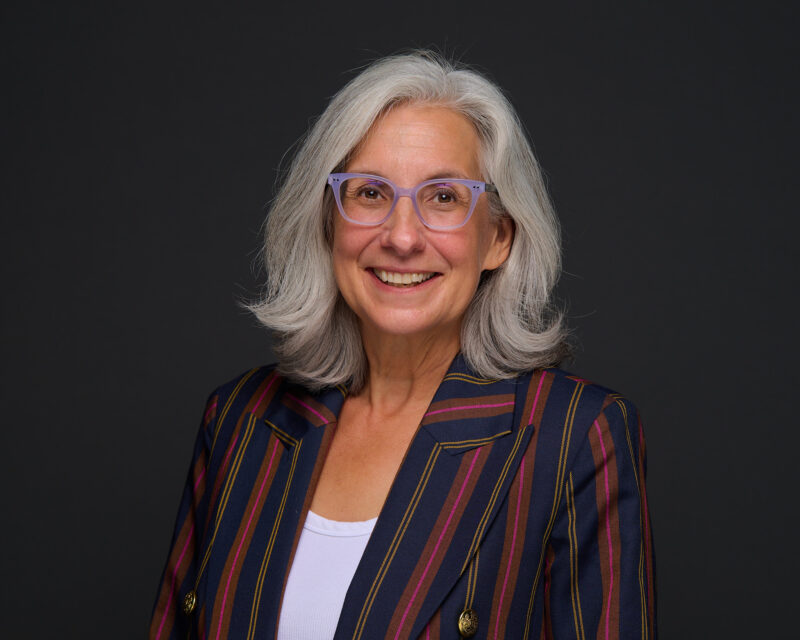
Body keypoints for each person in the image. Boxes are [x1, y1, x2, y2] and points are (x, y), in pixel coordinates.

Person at [149, 51, 656, 640]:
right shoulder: (239, 419)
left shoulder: (576, 436)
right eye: (369, 193)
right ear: (328, 221)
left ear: (497, 237)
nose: (403, 236)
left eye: (444, 197)